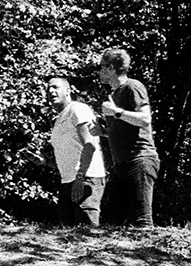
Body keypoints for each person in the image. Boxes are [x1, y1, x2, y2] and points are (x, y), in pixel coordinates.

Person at [96, 47, 156, 226]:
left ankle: (149, 253)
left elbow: (145, 119)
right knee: (112, 221)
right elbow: (123, 129)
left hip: (140, 159)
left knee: (142, 220)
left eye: (101, 67)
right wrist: (103, 132)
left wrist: (116, 112)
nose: (99, 71)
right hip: (121, 163)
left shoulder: (133, 86)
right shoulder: (114, 94)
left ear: (112, 68)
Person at [45, 76, 104, 228]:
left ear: (68, 91)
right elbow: (67, 156)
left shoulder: (77, 109)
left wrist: (80, 178)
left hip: (86, 178)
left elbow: (90, 144)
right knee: (67, 236)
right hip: (68, 181)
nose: (50, 91)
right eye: (48, 89)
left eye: (55, 87)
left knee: (87, 235)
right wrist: (44, 161)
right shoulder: (58, 119)